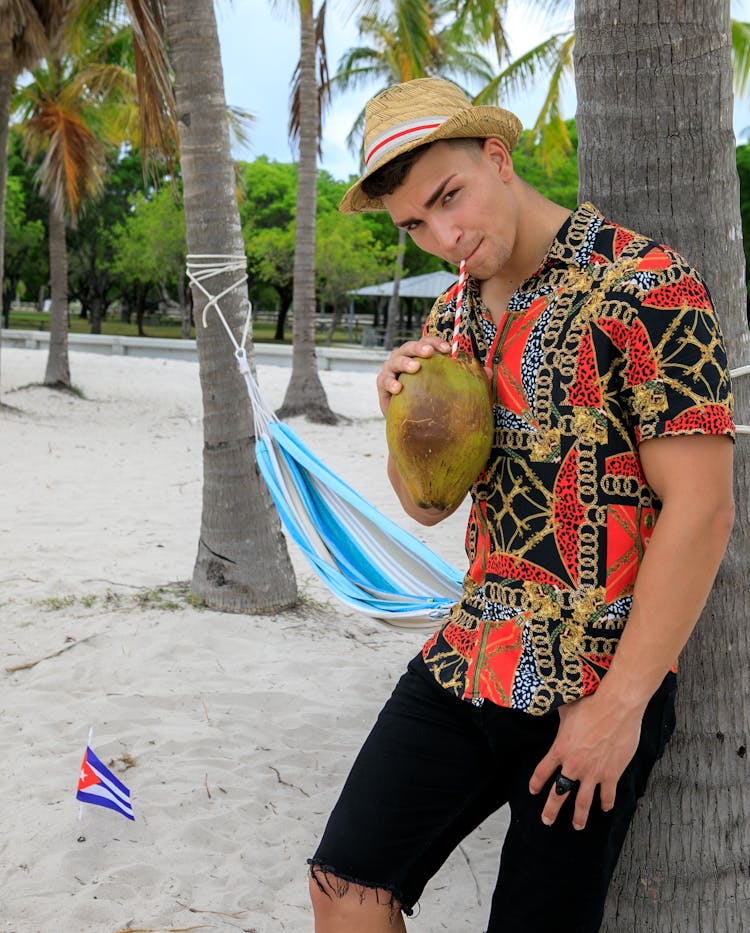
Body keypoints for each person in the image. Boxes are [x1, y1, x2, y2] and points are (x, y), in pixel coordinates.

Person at [308, 77, 735, 932]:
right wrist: (404, 416)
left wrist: (620, 708)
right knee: (345, 882)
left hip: (592, 679)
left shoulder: (645, 283)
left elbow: (703, 508)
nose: (444, 235)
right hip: (473, 651)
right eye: (415, 225)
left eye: (449, 198)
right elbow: (427, 509)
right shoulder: (454, 312)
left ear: (497, 159)